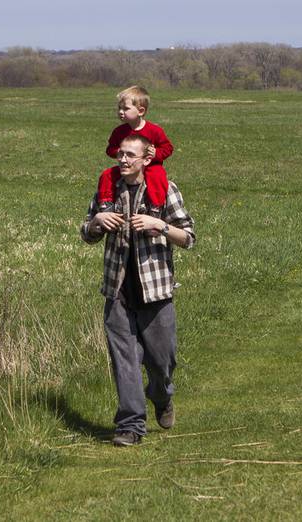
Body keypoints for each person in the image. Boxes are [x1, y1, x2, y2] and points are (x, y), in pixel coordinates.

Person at [80, 134, 196, 447]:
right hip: (117, 289)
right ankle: (130, 426)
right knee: (125, 360)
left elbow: (189, 238)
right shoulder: (108, 188)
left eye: (130, 155)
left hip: (156, 292)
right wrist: (96, 223)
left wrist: (158, 225)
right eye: (120, 154)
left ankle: (161, 395)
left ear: (147, 159)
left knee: (162, 361)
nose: (123, 160)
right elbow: (86, 232)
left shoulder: (164, 189)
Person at [96, 86, 174, 216]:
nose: (121, 112)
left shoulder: (154, 130)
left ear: (141, 111)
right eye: (119, 108)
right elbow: (110, 149)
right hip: (127, 167)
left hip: (150, 166)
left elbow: (168, 148)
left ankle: (156, 206)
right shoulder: (119, 131)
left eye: (125, 108)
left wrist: (156, 154)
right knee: (107, 175)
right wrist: (120, 152)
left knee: (158, 176)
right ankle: (106, 204)